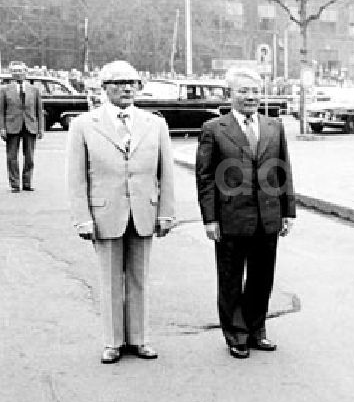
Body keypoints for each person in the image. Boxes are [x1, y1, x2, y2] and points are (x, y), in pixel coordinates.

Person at [66, 60, 176, 364]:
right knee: (110, 279)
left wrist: (166, 213)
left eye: (133, 82)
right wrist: (83, 218)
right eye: (119, 83)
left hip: (143, 211)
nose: (128, 88)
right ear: (104, 88)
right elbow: (76, 178)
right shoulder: (84, 125)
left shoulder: (155, 124)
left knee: (139, 277)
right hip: (105, 215)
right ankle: (113, 341)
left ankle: (139, 339)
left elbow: (166, 173)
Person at [195, 67, 296, 359]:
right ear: (230, 95)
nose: (250, 97)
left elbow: (283, 170)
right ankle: (236, 334)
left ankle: (256, 329)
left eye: (254, 91)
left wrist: (288, 211)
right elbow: (205, 178)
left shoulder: (274, 126)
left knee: (262, 277)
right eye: (243, 91)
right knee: (230, 277)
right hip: (231, 218)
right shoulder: (214, 129)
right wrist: (210, 219)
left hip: (268, 216)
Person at [0, 61, 45, 192]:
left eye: (20, 71)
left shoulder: (34, 90)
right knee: (12, 157)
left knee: (30, 157)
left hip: (30, 126)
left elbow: (39, 110)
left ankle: (27, 182)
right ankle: (15, 184)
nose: (17, 73)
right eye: (14, 71)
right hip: (12, 126)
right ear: (11, 73)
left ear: (26, 72)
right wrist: (2, 128)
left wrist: (40, 128)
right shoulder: (4, 90)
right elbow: (1, 111)